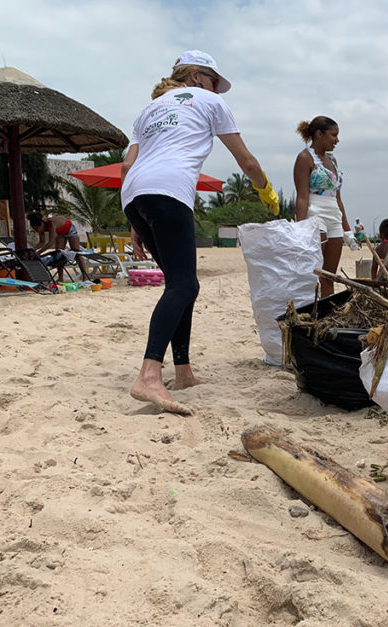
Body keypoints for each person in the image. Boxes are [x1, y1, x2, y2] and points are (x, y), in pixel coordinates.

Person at [121, 50, 279, 416]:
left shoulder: (148, 110)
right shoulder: (208, 102)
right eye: (213, 82)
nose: (216, 90)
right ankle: (148, 375)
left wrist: (135, 223)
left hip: (135, 195)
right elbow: (247, 161)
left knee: (182, 283)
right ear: (195, 76)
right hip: (169, 190)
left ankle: (183, 371)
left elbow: (129, 164)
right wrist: (265, 189)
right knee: (184, 286)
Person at [293, 115, 358, 296]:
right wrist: (300, 227)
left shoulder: (333, 160)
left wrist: (348, 231)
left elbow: (338, 197)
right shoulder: (305, 158)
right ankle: (310, 312)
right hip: (315, 214)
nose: (337, 140)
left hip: (333, 215)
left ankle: (326, 316)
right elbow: (302, 196)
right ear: (319, 134)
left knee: (329, 276)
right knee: (313, 273)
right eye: (333, 135)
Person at [27, 212, 92, 281]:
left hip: (69, 229)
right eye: (35, 230)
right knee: (58, 255)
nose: (38, 231)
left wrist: (38, 253)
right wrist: (33, 250)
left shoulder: (51, 223)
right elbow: (42, 242)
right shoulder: (40, 227)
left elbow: (50, 242)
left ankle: (85, 277)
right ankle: (60, 278)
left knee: (77, 253)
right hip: (60, 232)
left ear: (42, 224)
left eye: (38, 229)